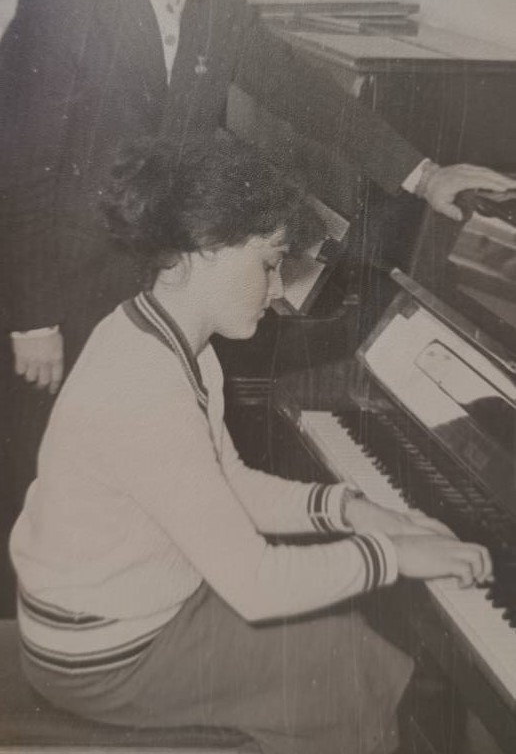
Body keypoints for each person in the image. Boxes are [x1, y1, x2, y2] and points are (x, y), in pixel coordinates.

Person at [0, 0, 513, 499]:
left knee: (127, 482)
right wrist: (33, 318)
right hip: (60, 288)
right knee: (42, 480)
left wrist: (426, 174)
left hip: (159, 283)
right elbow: (20, 174)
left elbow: (300, 91)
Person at [9, 130, 492, 754]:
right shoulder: (145, 387)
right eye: (269, 264)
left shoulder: (166, 337)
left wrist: (354, 510)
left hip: (122, 613)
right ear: (207, 249)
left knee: (352, 641)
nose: (279, 290)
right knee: (351, 674)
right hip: (109, 656)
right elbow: (259, 585)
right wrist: (393, 556)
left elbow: (228, 482)